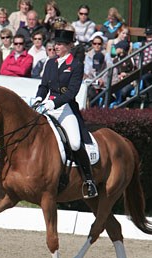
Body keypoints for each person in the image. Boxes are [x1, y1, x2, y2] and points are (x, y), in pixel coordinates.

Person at [34, 29, 98, 199]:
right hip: (47, 106)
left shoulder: (76, 65)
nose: (56, 47)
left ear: (69, 46)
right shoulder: (50, 63)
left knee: (76, 143)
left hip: (65, 108)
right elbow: (43, 86)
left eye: (60, 44)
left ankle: (89, 181)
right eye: (56, 44)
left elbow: (71, 93)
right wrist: (39, 99)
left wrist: (53, 102)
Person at [83, 32, 114, 107]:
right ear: (92, 44)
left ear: (102, 44)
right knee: (90, 93)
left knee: (106, 95)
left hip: (104, 81)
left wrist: (102, 79)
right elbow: (87, 71)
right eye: (94, 43)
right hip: (92, 81)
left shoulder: (106, 55)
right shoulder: (88, 55)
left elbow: (110, 68)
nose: (97, 45)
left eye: (99, 44)